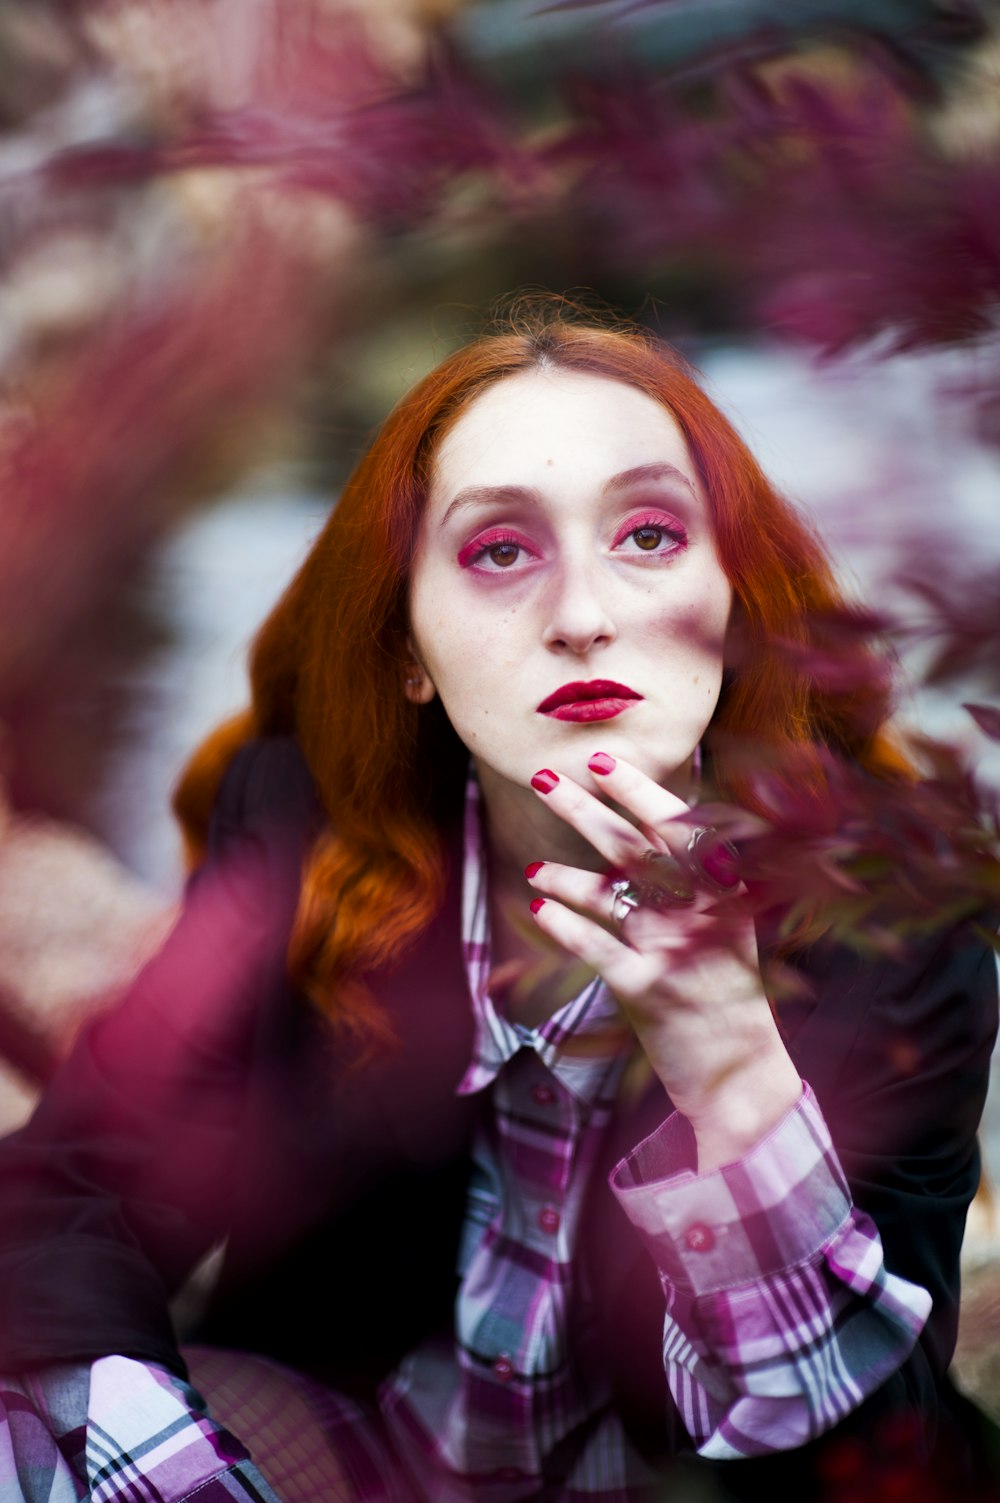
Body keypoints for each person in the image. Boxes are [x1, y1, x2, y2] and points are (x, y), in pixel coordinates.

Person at [0, 304, 996, 1503]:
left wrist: (729, 1067)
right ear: (409, 648)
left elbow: (862, 1459)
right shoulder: (311, 830)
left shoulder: (889, 935)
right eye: (498, 552)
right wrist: (178, 1473)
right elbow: (69, 1193)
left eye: (646, 534)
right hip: (367, 1441)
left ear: (732, 613)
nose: (582, 616)